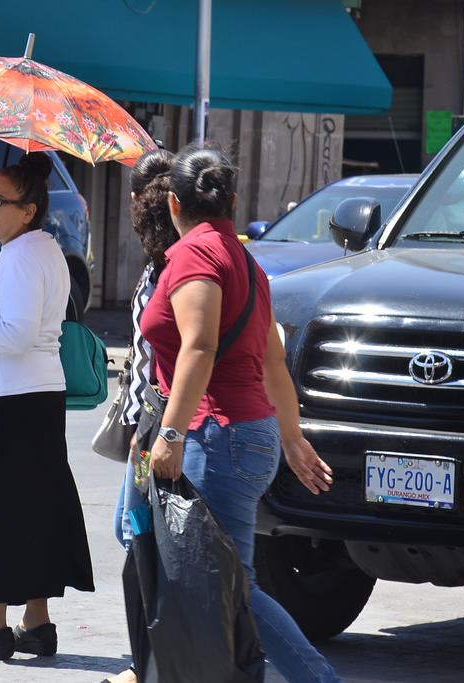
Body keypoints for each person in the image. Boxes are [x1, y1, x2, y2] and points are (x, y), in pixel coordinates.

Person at [140, 145, 339, 682]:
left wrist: (174, 433)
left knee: (236, 585)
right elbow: (274, 363)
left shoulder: (195, 256)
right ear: (230, 203)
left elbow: (199, 347)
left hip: (215, 436)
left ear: (174, 206)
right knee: (135, 529)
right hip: (244, 435)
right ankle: (157, 668)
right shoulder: (246, 262)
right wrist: (291, 439)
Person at [0, 152, 94, 661]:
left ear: (27, 210)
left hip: (10, 401)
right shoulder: (37, 250)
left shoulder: (26, 256)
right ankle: (36, 622)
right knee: (32, 510)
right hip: (32, 397)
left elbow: (18, 333)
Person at [105, 149, 177, 683]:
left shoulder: (173, 268)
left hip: (153, 431)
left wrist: (147, 436)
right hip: (144, 427)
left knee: (140, 545)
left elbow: (164, 364)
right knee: (131, 536)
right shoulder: (159, 264)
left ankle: (146, 665)